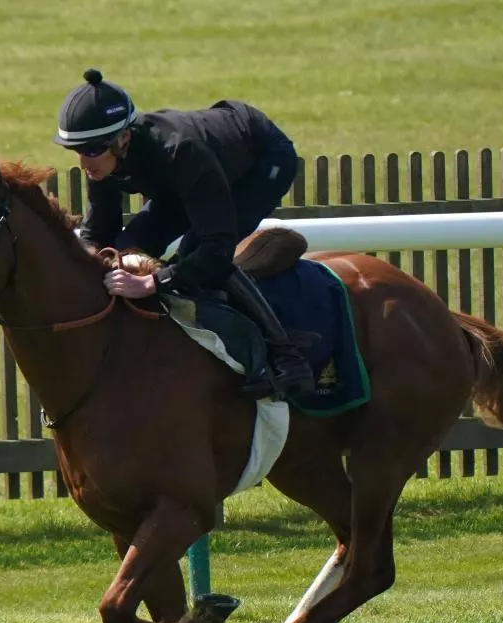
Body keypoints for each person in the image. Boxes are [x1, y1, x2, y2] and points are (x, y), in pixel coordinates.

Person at [53, 68, 315, 400]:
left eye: (92, 150)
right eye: (76, 150)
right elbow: (99, 233)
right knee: (126, 247)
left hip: (260, 161)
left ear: (123, 138)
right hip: (188, 179)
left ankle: (287, 358)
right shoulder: (105, 162)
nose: (83, 162)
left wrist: (153, 281)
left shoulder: (181, 151)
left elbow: (217, 249)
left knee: (196, 255)